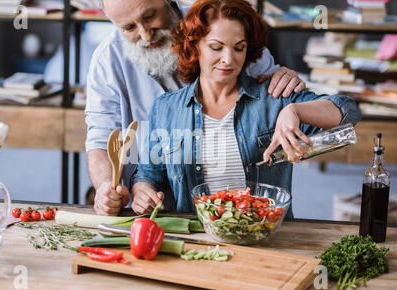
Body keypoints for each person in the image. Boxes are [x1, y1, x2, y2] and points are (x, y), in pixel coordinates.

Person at [130, 0, 361, 218]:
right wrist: (142, 192)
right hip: (197, 242)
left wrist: (295, 110)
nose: (228, 59)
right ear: (194, 46)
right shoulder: (165, 109)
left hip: (265, 237)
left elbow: (348, 111)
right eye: (216, 47)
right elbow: (148, 176)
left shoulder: (273, 98)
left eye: (238, 48)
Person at [86, 0, 307, 216]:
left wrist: (285, 82)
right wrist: (107, 188)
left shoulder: (217, 24)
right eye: (129, 27)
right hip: (151, 209)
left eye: (149, 16)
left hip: (235, 203)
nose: (145, 35)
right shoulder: (107, 59)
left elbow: (273, 87)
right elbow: (101, 138)